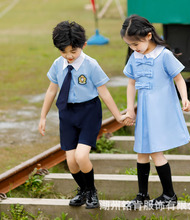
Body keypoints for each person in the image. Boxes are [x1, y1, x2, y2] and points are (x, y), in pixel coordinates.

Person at [38, 21, 130, 209]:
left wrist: (118, 116)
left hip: (88, 112)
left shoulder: (91, 65)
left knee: (81, 157)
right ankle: (83, 190)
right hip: (67, 114)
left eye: (73, 51)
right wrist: (43, 117)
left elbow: (104, 92)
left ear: (83, 45)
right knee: (71, 161)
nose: (69, 56)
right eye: (64, 52)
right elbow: (50, 91)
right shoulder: (58, 64)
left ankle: (92, 192)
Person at [120, 15, 190, 210]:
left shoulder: (163, 55)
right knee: (141, 152)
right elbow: (131, 83)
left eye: (136, 44)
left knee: (155, 151)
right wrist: (130, 110)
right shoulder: (135, 57)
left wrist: (184, 97)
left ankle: (169, 195)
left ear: (149, 35)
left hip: (160, 110)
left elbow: (179, 78)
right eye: (130, 45)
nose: (134, 48)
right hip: (144, 111)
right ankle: (142, 195)